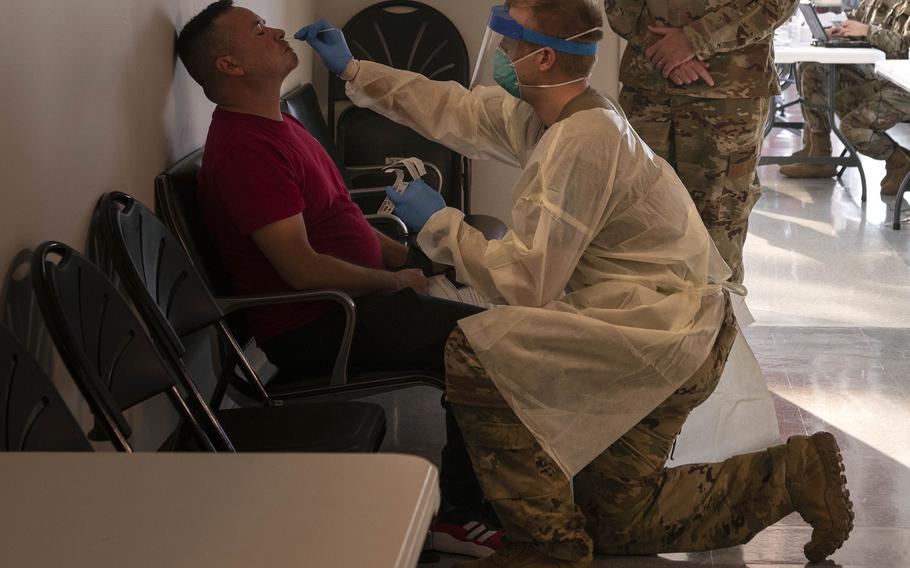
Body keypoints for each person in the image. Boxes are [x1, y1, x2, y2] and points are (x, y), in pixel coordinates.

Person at [298, 1, 853, 566]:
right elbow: (456, 109)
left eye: (510, 44)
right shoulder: (559, 115)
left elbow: (524, 285)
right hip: (667, 325)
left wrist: (439, 225)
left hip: (658, 335)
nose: (502, 58)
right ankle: (790, 476)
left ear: (541, 59)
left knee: (479, 349)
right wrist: (354, 72)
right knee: (614, 517)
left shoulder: (582, 142)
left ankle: (543, 547)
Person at [174, 1, 505, 558]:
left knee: (493, 330)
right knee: (488, 348)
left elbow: (342, 219)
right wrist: (392, 285)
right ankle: (460, 516)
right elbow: (301, 268)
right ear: (229, 65)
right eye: (258, 30)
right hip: (320, 322)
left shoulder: (278, 124)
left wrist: (419, 261)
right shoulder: (246, 150)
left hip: (354, 302)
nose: (275, 29)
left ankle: (496, 491)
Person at [604, 0, 797, 285]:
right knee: (640, 225)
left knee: (718, 231)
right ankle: (651, 328)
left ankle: (717, 328)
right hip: (648, 92)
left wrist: (694, 40)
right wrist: (660, 48)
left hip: (728, 99)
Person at [780, 0, 910, 196]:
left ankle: (899, 162)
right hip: (877, 75)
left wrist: (867, 31)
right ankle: (819, 152)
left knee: (851, 127)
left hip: (902, 84)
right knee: (812, 67)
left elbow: (904, 49)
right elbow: (857, 25)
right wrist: (842, 30)